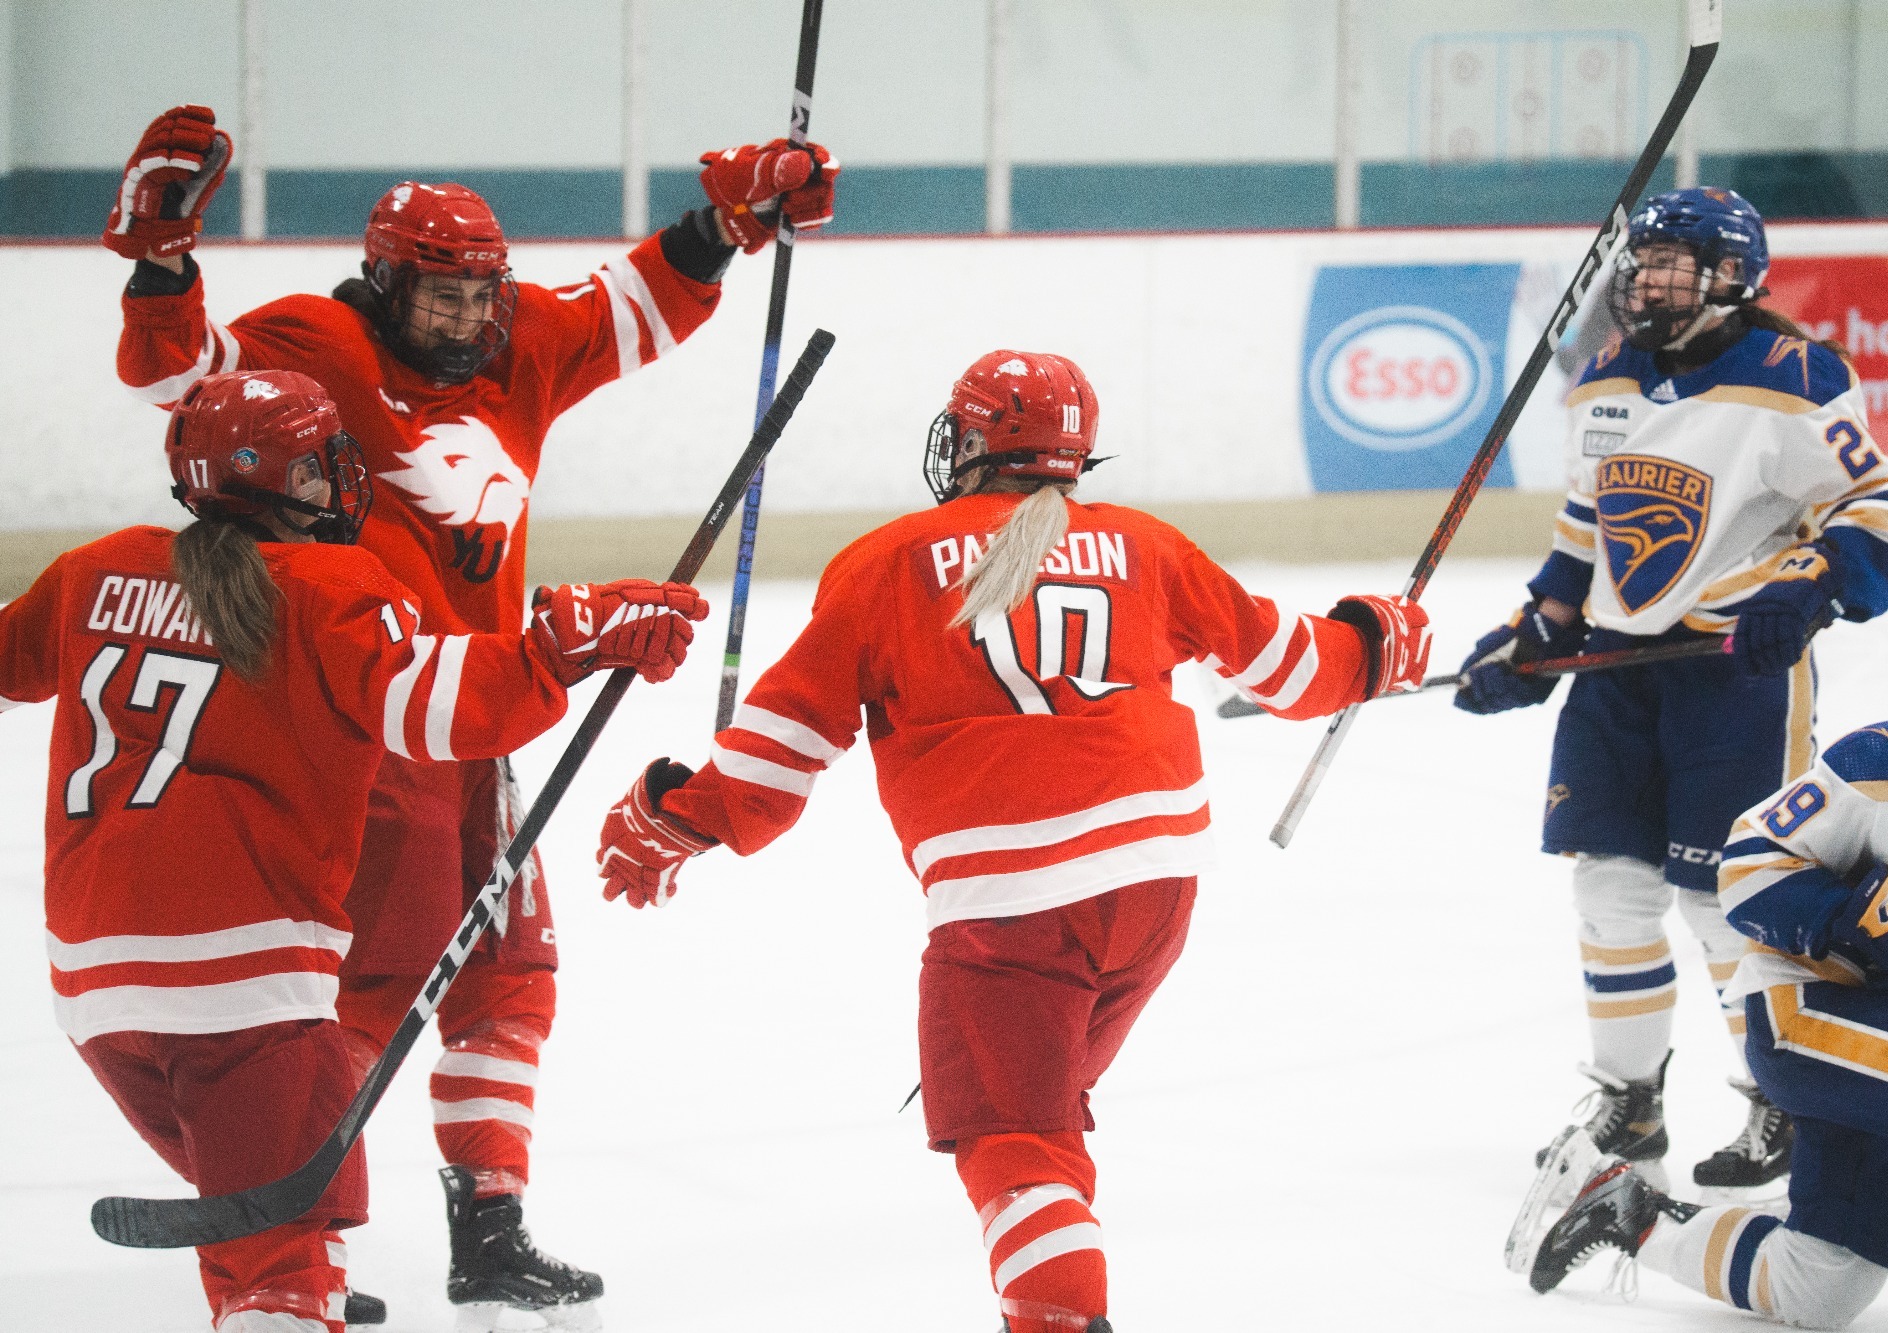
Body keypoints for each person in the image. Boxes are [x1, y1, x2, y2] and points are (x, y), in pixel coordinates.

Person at [105, 104, 833, 1322]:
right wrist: (161, 263)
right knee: (376, 989)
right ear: (383, 282)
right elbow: (178, 381)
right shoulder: (317, 341)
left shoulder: (519, 337)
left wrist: (731, 217)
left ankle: (487, 1231)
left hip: (485, 719)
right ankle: (290, 1233)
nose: (462, 319)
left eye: (478, 295)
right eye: (437, 297)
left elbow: (632, 305)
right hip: (375, 724)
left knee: (507, 973)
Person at [589, 350, 1432, 1331]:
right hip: (1155, 890)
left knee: (1012, 1135)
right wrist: (1375, 639)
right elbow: (1297, 672)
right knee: (1044, 1117)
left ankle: (1060, 1317)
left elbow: (781, 753)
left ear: (971, 444)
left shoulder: (890, 563)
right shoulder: (1145, 545)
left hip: (1009, 911)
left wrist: (673, 818)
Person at [0, 370, 701, 1333]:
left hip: (93, 997)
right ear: (292, 479)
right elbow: (450, 708)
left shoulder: (94, 570)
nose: (342, 482)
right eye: (327, 464)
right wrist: (564, 643)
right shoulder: (326, 586)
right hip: (243, 997)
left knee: (259, 1229)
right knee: (283, 1280)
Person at [1456, 187, 1888, 1194]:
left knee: (1726, 903)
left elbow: (1871, 499)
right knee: (1608, 895)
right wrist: (1540, 626)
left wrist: (1806, 582)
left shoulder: (1792, 376)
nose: (1647, 276)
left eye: (1672, 260)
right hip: (1619, 682)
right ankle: (1629, 1105)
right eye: (1643, 258)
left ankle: (1783, 1104)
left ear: (1730, 274)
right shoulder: (1604, 376)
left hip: (1733, 674)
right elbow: (1589, 518)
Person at [1528, 597, 1888, 1333]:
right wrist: (1846, 920)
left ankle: (1634, 1213)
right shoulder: (1878, 762)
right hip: (1817, 1017)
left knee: (1818, 1289)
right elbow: (1745, 865)